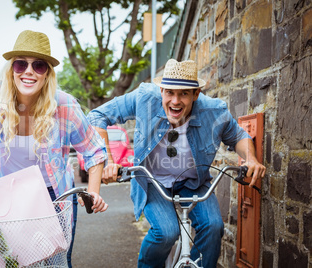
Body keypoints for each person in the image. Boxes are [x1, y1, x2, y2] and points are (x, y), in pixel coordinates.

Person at [0, 30, 108, 267]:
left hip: (54, 199)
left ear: (47, 74)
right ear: (12, 69)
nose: (29, 71)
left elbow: (94, 150)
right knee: (12, 263)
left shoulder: (65, 105)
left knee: (55, 264)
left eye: (38, 65)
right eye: (21, 64)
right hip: (6, 199)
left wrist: (93, 192)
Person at [87, 59, 266, 268]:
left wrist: (251, 159)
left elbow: (238, 136)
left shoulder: (214, 110)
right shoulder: (145, 97)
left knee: (213, 226)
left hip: (194, 183)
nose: (175, 101)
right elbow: (97, 116)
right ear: (161, 90)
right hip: (153, 182)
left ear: (196, 95)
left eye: (184, 93)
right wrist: (108, 161)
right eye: (170, 92)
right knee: (165, 232)